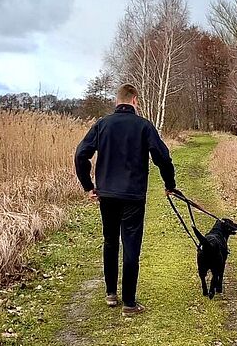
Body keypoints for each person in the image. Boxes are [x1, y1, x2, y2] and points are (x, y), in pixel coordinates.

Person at [74, 83, 177, 316]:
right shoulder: (144, 126)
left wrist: (88, 186)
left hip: (107, 194)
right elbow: (163, 157)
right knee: (131, 246)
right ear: (135, 101)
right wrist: (170, 184)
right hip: (133, 195)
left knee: (110, 241)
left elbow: (81, 154)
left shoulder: (102, 125)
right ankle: (129, 303)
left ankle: (111, 293)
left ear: (116, 101)